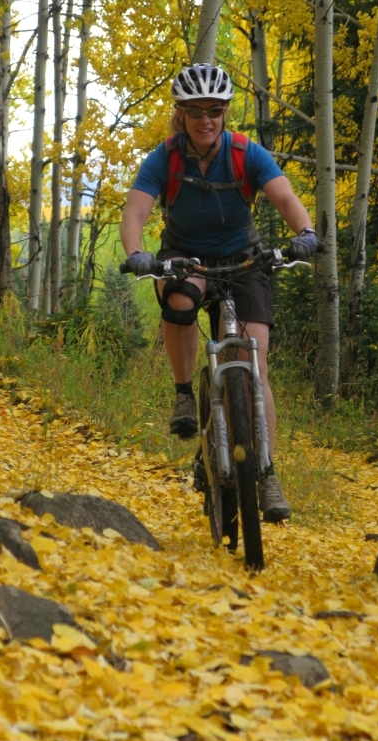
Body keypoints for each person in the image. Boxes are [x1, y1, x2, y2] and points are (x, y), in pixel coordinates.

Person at [120, 63, 319, 523]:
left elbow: (286, 198)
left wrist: (305, 232)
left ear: (225, 112)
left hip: (243, 260)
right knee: (181, 300)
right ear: (182, 114)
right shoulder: (164, 159)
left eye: (214, 110)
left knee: (255, 361)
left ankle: (266, 472)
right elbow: (135, 213)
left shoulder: (247, 153)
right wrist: (137, 254)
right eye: (195, 112)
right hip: (185, 259)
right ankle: (185, 392)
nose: (205, 120)